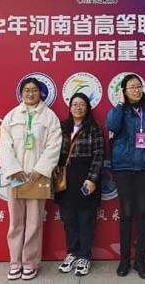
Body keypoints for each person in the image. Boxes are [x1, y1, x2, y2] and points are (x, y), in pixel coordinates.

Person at [0, 77, 62, 281]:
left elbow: (54, 145)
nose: (30, 94)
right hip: (16, 177)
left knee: (34, 223)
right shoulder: (11, 116)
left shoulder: (49, 117)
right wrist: (14, 169)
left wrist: (41, 168)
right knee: (15, 223)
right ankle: (15, 262)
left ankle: (30, 263)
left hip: (37, 177)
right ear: (21, 93)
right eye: (27, 90)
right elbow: (4, 146)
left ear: (40, 93)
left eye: (34, 90)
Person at [106, 74, 145, 279]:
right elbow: (112, 126)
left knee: (143, 212)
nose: (136, 90)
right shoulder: (120, 111)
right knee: (127, 212)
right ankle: (124, 259)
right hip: (124, 167)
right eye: (131, 87)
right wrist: (120, 104)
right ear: (124, 91)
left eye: (139, 86)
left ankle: (140, 261)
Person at [54, 93, 105, 276]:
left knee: (86, 219)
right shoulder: (62, 127)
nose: (78, 107)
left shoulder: (94, 128)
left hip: (86, 177)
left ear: (87, 108)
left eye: (82, 104)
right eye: (74, 104)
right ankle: (72, 253)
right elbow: (53, 150)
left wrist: (92, 178)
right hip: (66, 178)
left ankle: (84, 256)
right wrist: (54, 168)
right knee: (68, 219)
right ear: (70, 107)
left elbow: (99, 155)